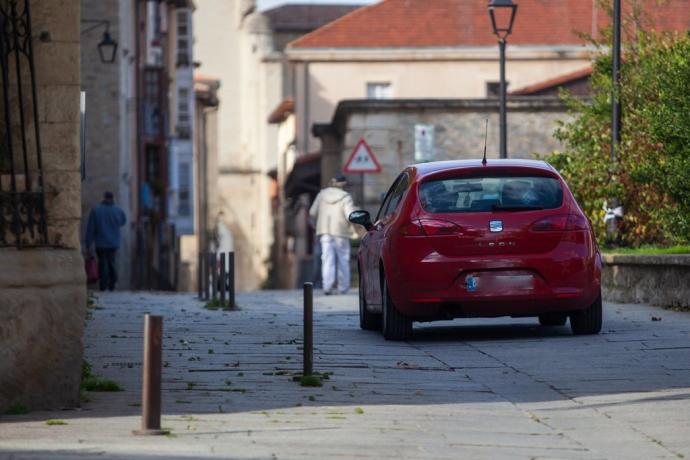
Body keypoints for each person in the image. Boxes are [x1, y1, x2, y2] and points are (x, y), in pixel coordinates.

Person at [309, 174, 356, 295]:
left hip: (325, 231)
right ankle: (343, 287)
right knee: (343, 259)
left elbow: (312, 212)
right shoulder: (346, 197)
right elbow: (349, 215)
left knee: (327, 259)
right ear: (343, 185)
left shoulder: (321, 195)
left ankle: (327, 287)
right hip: (341, 232)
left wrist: (317, 224)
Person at [85, 191, 127, 291]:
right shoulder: (118, 210)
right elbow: (123, 222)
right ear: (113, 198)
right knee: (112, 262)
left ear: (104, 197)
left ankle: (103, 284)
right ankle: (112, 282)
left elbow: (91, 228)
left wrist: (88, 244)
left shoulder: (96, 210)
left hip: (101, 243)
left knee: (102, 263)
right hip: (113, 243)